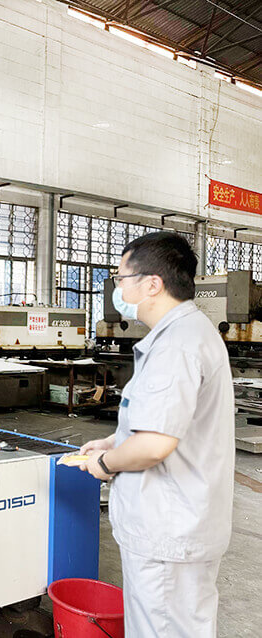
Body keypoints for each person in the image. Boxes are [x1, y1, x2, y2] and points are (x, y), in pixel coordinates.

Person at [79, 231, 234, 637]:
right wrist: (114, 441)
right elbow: (166, 422)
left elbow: (154, 445)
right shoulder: (185, 334)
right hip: (180, 523)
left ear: (152, 283)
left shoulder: (177, 345)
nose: (117, 288)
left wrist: (104, 463)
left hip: (169, 529)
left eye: (120, 278)